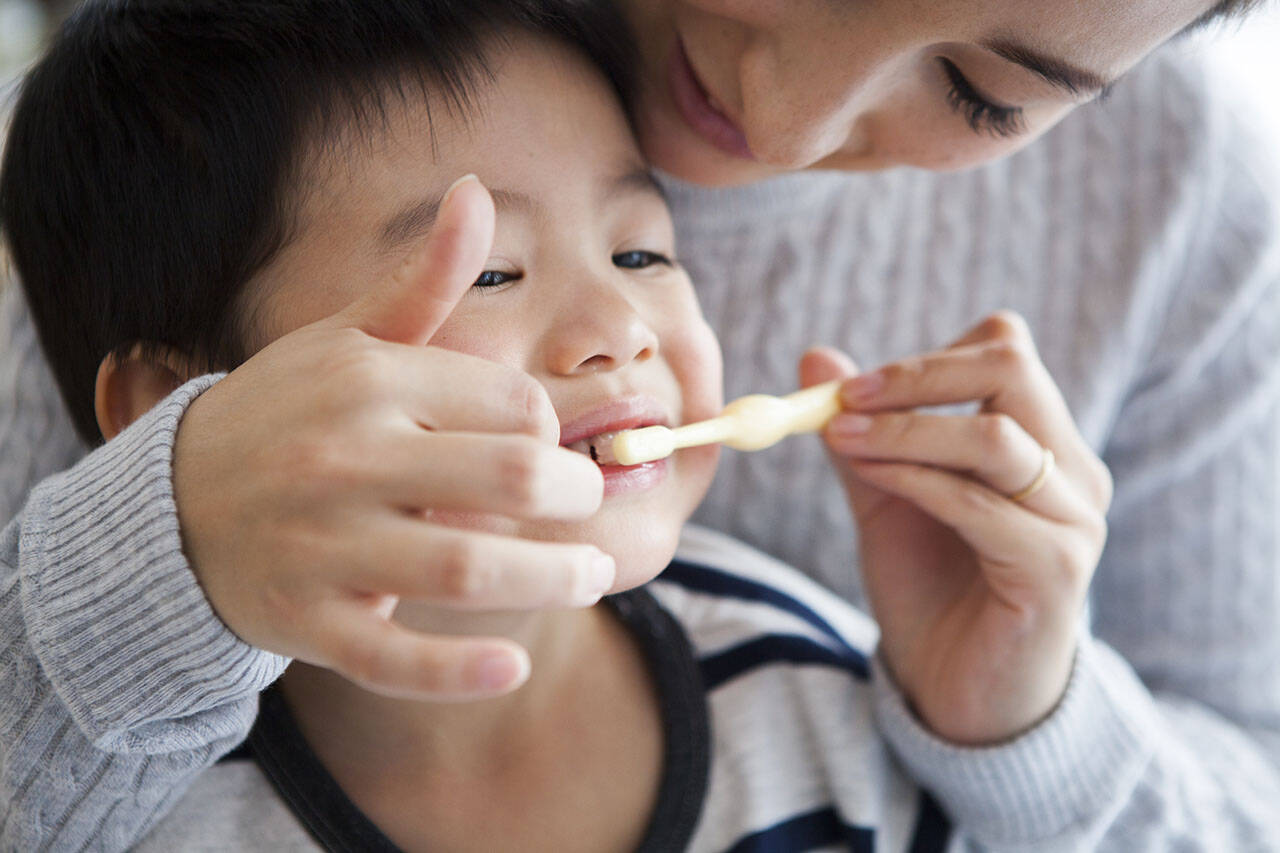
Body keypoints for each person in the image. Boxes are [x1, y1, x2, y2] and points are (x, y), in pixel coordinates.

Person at [1, 0, 1277, 849]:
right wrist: (157, 563)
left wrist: (1018, 731)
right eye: (491, 270)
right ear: (167, 416)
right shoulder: (148, 796)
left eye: (641, 248)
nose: (782, 124)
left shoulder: (810, 692)